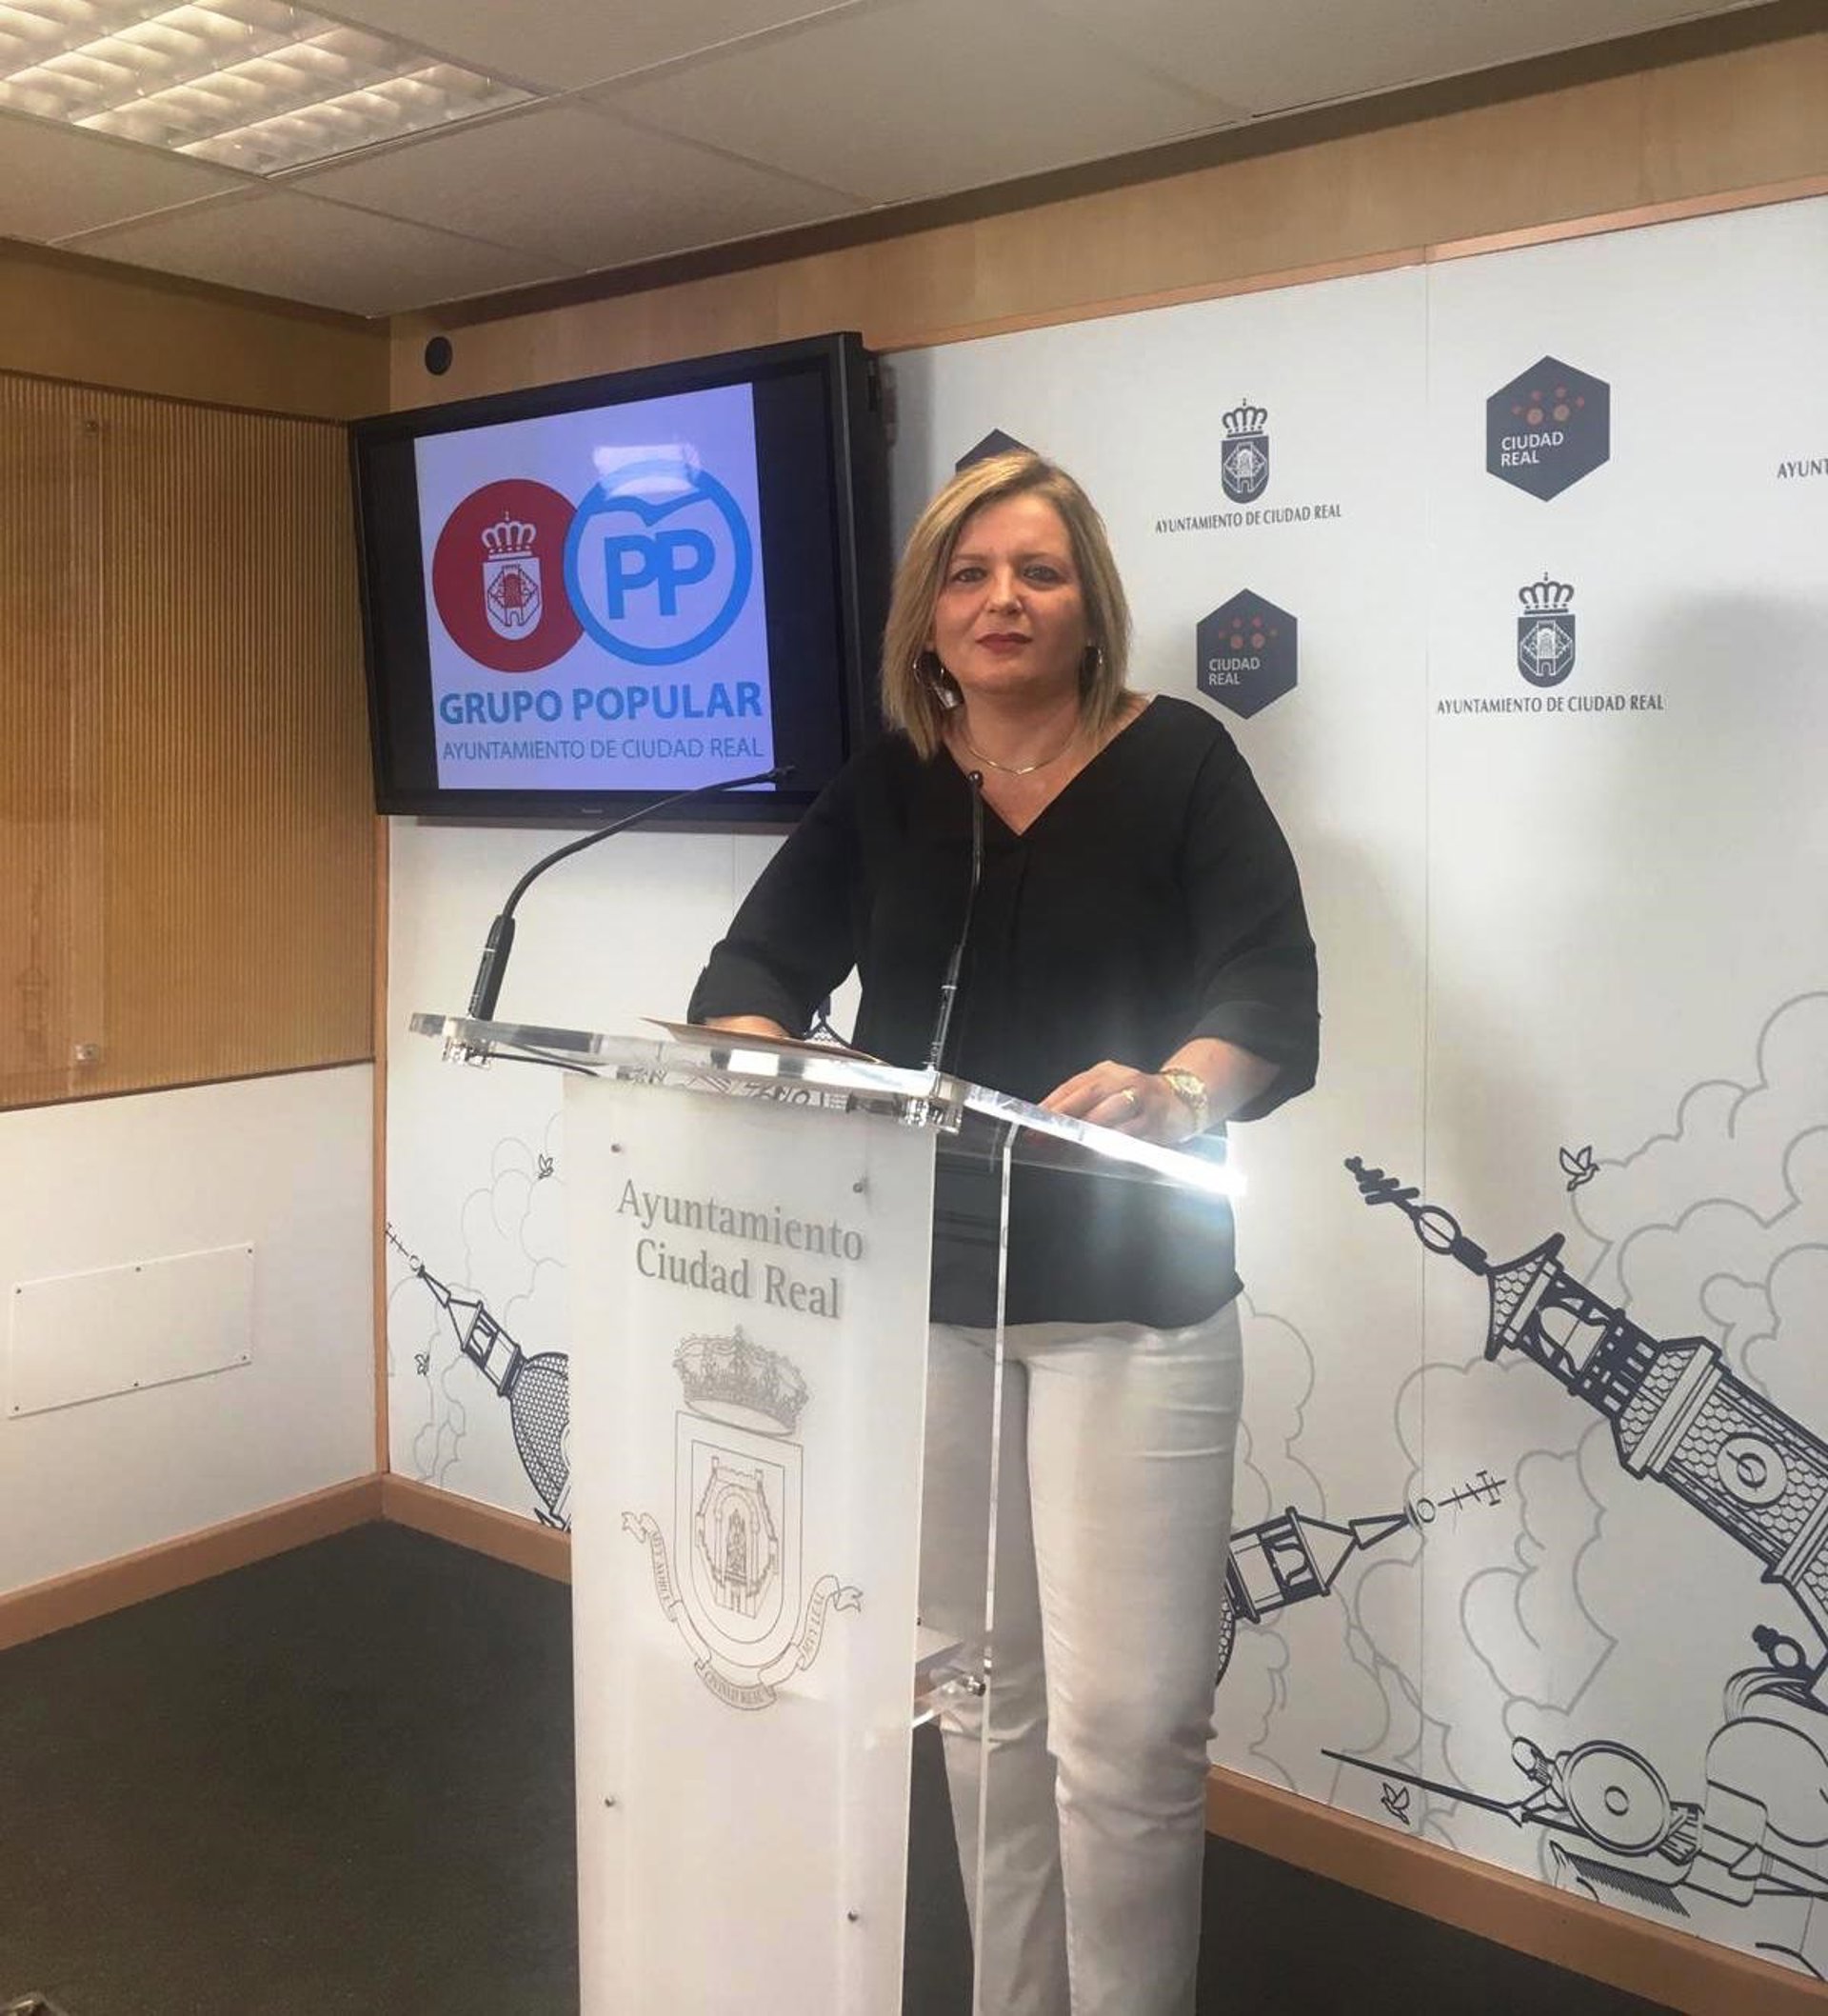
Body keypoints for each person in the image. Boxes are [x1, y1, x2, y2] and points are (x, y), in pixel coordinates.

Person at [688, 449, 1319, 2015]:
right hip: (932, 1289)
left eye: (1038, 571)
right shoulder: (890, 784)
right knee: (981, 1699)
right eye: (968, 576)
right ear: (927, 616)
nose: (1002, 600)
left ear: (1091, 602)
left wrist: (1180, 1088)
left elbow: (1269, 994)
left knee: (1129, 1728)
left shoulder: (1184, 760)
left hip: (1134, 1297)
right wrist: (785, 1066)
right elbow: (748, 972)